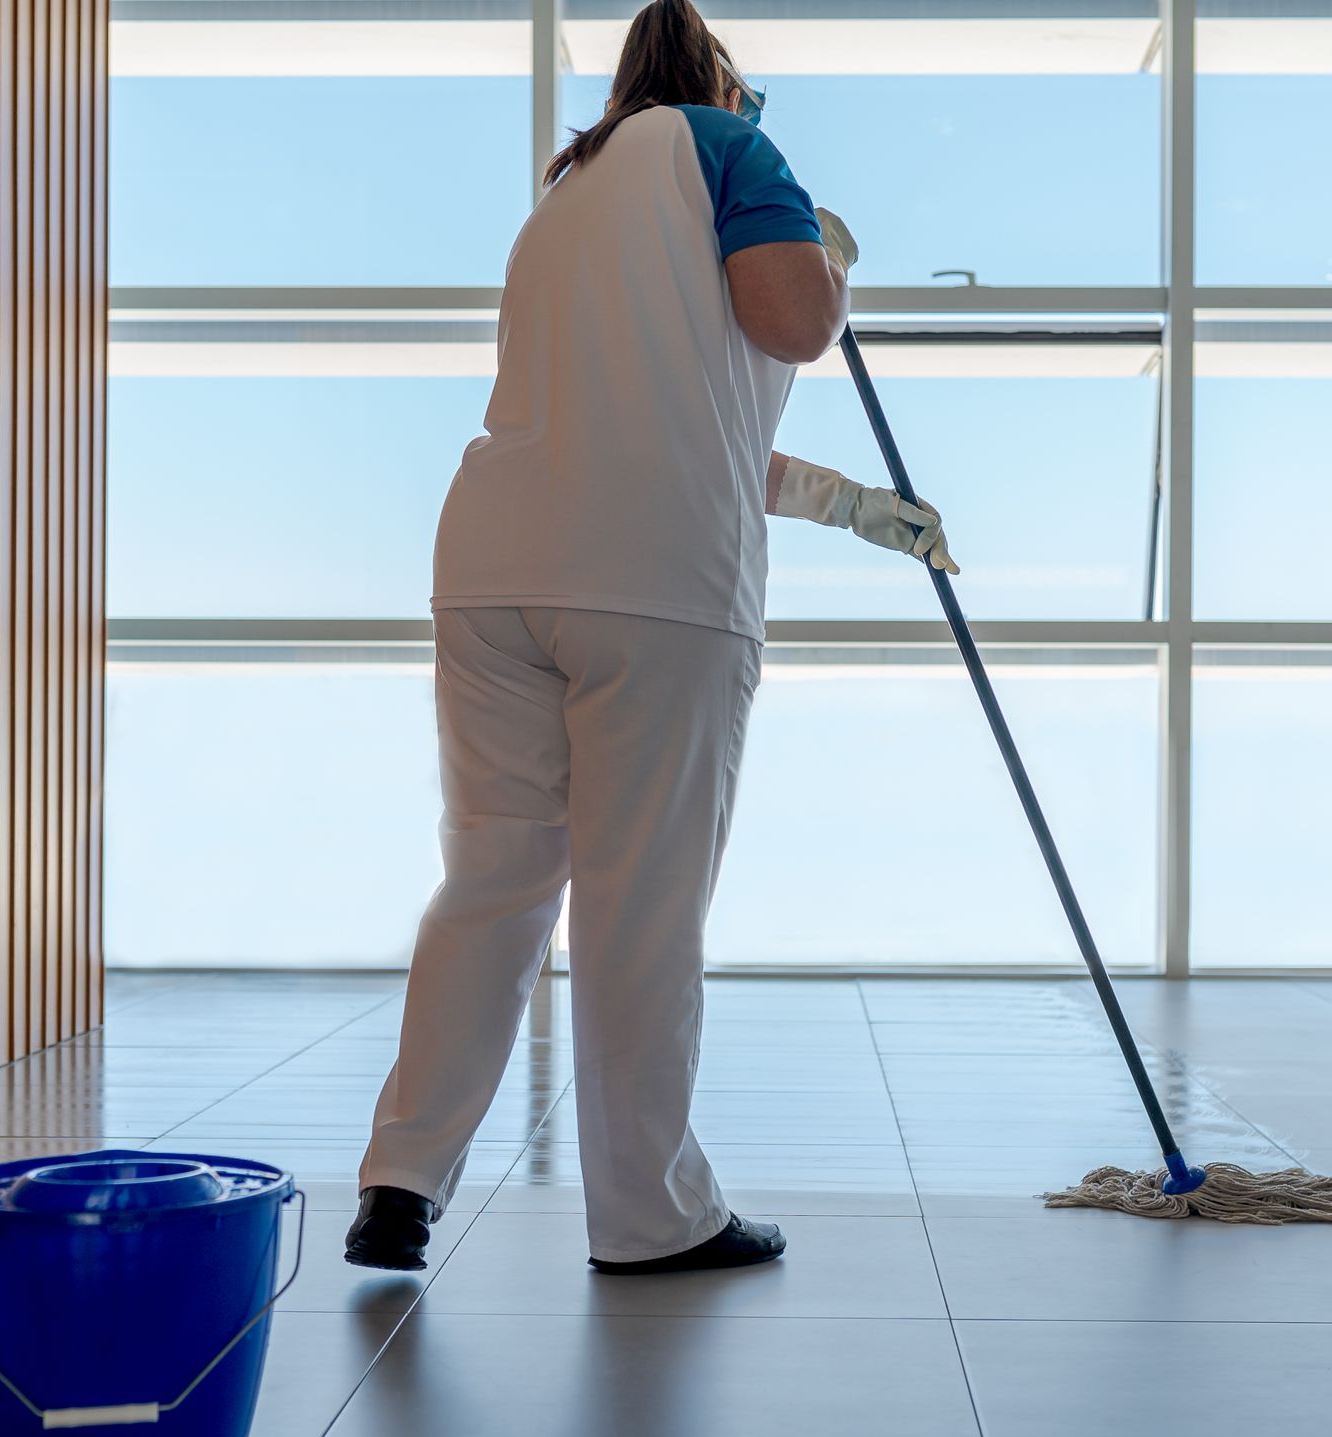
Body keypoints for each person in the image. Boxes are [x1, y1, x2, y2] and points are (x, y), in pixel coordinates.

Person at [346, 0, 956, 1276]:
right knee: (639, 903)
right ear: (723, 85)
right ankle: (650, 1216)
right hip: (655, 587)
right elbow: (795, 322)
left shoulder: (563, 201)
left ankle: (398, 1182)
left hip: (495, 567)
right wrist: (825, 252)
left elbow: (690, 417)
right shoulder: (730, 149)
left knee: (496, 882)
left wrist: (853, 507)